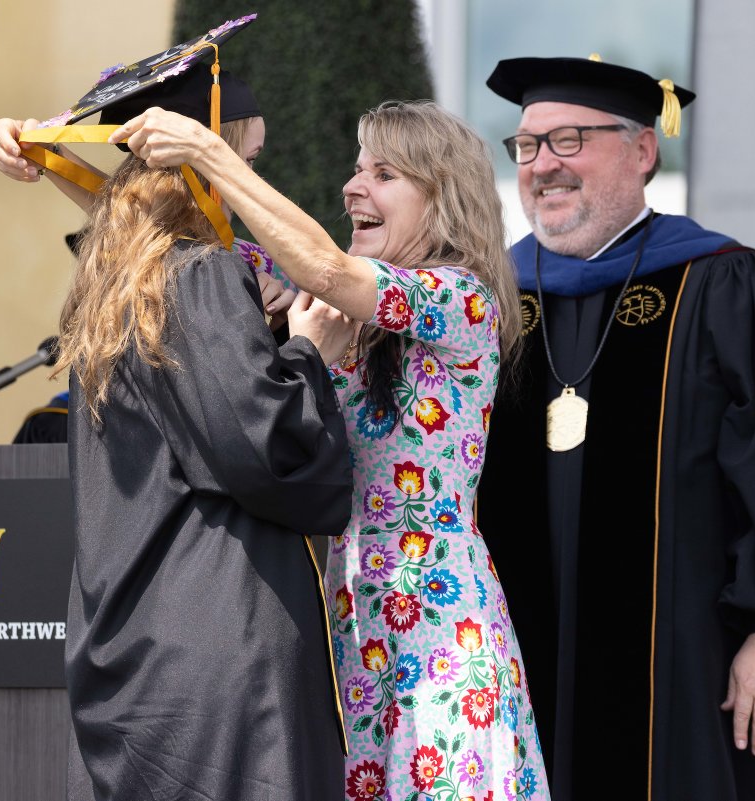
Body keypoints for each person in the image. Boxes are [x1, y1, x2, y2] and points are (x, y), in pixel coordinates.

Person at [113, 99, 549, 799]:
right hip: (350, 620)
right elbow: (187, 244)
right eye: (356, 169)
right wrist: (55, 161)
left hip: (437, 633)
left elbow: (320, 267)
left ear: (445, 199)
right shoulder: (346, 309)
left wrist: (209, 151)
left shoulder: (460, 298)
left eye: (383, 173)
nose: (353, 188)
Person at [476, 55, 755, 799]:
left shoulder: (726, 283)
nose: (542, 166)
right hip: (506, 667)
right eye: (527, 146)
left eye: (568, 140)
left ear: (642, 150)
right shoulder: (488, 299)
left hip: (681, 665)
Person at [0, 57, 355, 799]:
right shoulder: (198, 275)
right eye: (242, 159)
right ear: (205, 158)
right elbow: (263, 453)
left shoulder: (115, 284)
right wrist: (307, 356)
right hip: (222, 648)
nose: (246, 179)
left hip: (132, 643)